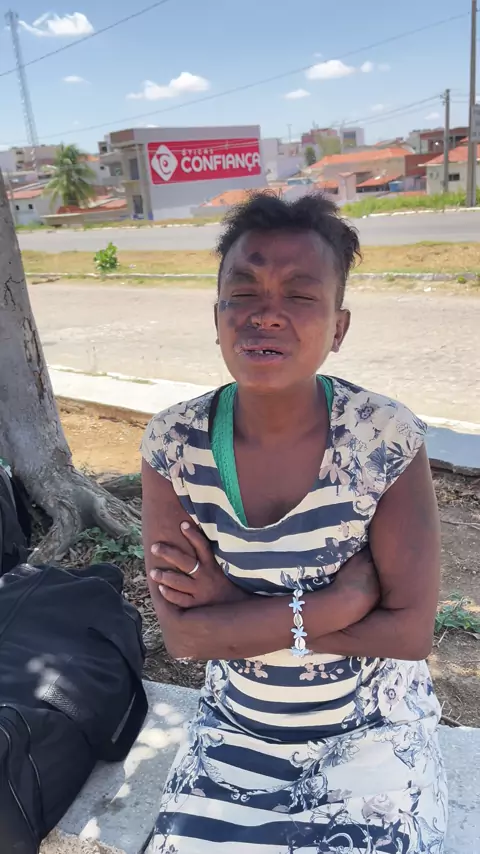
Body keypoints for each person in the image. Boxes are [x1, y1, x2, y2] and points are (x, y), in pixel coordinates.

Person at [141, 193, 447, 854]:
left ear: (338, 327)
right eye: (243, 291)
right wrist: (339, 602)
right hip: (236, 731)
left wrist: (235, 610)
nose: (266, 313)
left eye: (300, 295)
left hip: (372, 735)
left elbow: (408, 633)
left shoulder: (383, 439)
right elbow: (187, 638)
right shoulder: (173, 446)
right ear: (217, 316)